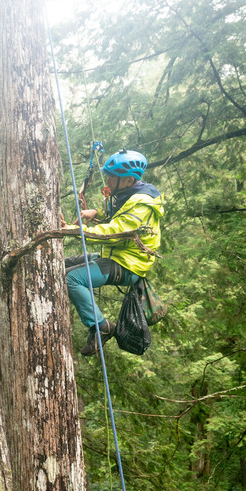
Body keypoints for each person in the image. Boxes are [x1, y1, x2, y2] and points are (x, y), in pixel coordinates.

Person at [65, 149, 164, 356]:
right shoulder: (126, 194)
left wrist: (76, 231)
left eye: (112, 177)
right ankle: (99, 325)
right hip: (118, 257)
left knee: (72, 278)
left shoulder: (141, 204)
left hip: (128, 265)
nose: (108, 181)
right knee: (63, 264)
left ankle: (101, 327)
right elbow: (115, 217)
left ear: (128, 180)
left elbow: (116, 231)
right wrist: (97, 213)